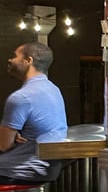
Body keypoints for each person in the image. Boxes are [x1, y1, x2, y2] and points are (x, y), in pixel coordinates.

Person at [0, 42, 67, 182]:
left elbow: (3, 145)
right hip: (48, 167)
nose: (10, 60)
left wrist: (6, 136)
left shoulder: (21, 97)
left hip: (21, 169)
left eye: (15, 56)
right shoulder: (53, 89)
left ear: (28, 60)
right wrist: (14, 135)